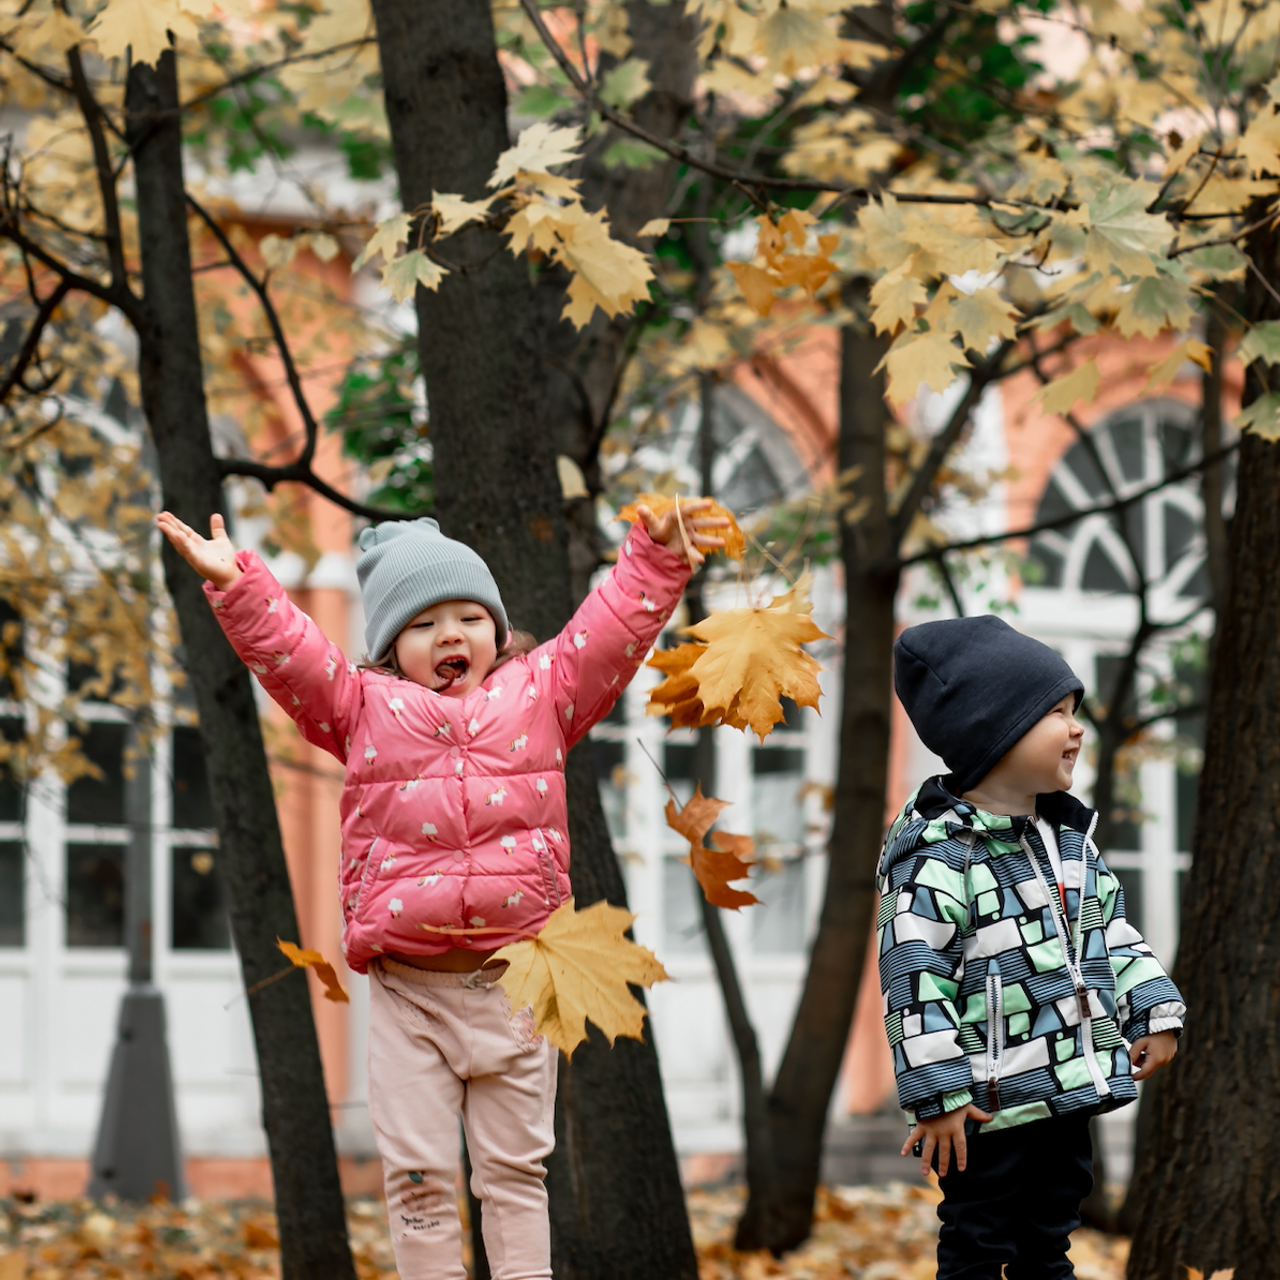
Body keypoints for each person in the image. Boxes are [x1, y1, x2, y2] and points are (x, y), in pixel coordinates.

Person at [156, 500, 725, 1280]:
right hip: (410, 999)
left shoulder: (542, 692)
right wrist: (239, 584)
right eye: (424, 625)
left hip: (517, 991)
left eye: (468, 617)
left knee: (515, 1176)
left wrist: (656, 560)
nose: (451, 635)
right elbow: (294, 655)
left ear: (499, 630)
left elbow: (606, 634)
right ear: (392, 648)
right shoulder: (361, 708)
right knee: (418, 1180)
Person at [878, 615, 1186, 1279]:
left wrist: (1153, 1011)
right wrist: (938, 1095)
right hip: (985, 1105)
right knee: (978, 1244)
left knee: (1049, 1241)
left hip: (1068, 1086)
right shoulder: (939, 862)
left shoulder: (1069, 843)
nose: (1077, 728)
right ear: (996, 729)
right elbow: (913, 982)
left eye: (1075, 711)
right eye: (1056, 713)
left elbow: (1111, 935)